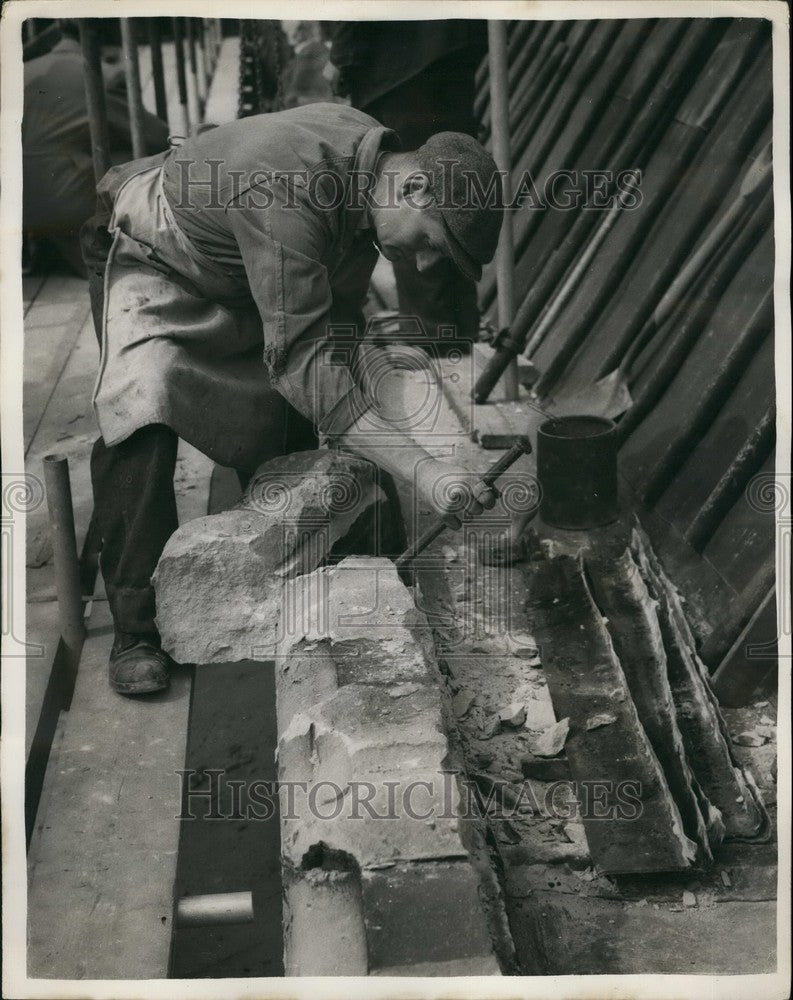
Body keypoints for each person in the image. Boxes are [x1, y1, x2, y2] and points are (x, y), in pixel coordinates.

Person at [81, 102, 504, 696]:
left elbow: (338, 331)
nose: (427, 262)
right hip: (151, 252)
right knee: (142, 408)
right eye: (433, 240)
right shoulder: (289, 187)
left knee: (292, 425)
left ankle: (281, 580)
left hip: (234, 267)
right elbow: (305, 362)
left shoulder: (366, 183)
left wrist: (415, 439)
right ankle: (136, 628)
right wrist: (424, 469)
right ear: (411, 185)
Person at [327, 20, 487, 349]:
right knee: (450, 186)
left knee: (407, 199)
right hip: (454, 42)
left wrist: (341, 54)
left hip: (396, 62)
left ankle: (430, 336)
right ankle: (460, 329)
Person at [23, 19, 169, 276]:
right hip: (67, 204)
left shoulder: (22, 70)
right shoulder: (100, 73)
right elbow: (156, 135)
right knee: (148, 157)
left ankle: (54, 248)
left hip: (18, 210)